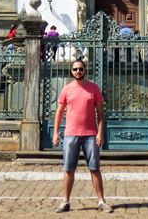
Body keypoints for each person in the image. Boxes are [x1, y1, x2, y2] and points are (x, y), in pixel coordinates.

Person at [53, 59, 112, 213]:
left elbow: (100, 113)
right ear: (71, 71)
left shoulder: (94, 88)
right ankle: (65, 201)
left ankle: (101, 201)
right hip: (70, 134)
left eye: (80, 69)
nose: (77, 72)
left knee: (94, 168)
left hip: (90, 135)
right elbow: (59, 112)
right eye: (75, 69)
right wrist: (55, 132)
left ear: (85, 70)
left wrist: (100, 132)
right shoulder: (67, 89)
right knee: (69, 169)